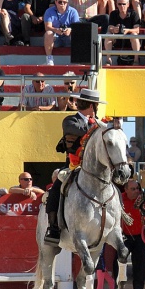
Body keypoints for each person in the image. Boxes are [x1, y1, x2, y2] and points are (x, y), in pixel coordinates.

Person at [44, 89, 106, 247]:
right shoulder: (70, 121)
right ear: (92, 106)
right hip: (73, 166)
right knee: (57, 188)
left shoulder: (99, 123)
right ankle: (53, 227)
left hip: (95, 169)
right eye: (96, 105)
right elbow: (82, 132)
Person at [122, 179, 145, 289]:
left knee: (141, 262)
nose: (136, 191)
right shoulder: (119, 199)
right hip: (124, 236)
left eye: (138, 188)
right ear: (126, 189)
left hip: (140, 236)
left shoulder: (143, 200)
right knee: (119, 261)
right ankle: (117, 287)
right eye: (133, 189)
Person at [104, 0, 141, 66]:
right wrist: (114, 29)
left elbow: (137, 30)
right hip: (117, 39)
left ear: (128, 4)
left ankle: (136, 60)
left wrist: (128, 30)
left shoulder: (134, 13)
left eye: (124, 4)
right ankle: (108, 60)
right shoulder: (113, 13)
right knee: (108, 35)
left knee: (134, 35)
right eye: (119, 4)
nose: (122, 6)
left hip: (130, 40)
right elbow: (110, 27)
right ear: (116, 4)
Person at [43, 0, 80, 66]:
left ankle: (77, 59)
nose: (62, 4)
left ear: (67, 2)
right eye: (60, 2)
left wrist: (70, 30)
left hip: (68, 38)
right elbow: (47, 27)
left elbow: (77, 27)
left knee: (78, 34)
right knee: (48, 33)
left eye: (65, 2)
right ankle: (49, 59)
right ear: (55, 2)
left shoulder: (73, 11)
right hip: (55, 38)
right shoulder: (49, 11)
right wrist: (56, 30)